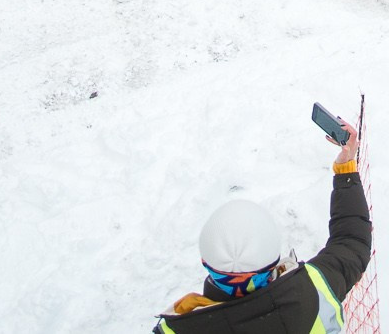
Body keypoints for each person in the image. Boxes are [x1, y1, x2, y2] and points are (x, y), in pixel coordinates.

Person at [154, 121, 369, 333]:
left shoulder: (176, 329)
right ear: (274, 262)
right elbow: (352, 243)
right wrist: (346, 169)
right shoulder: (311, 292)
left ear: (205, 262)